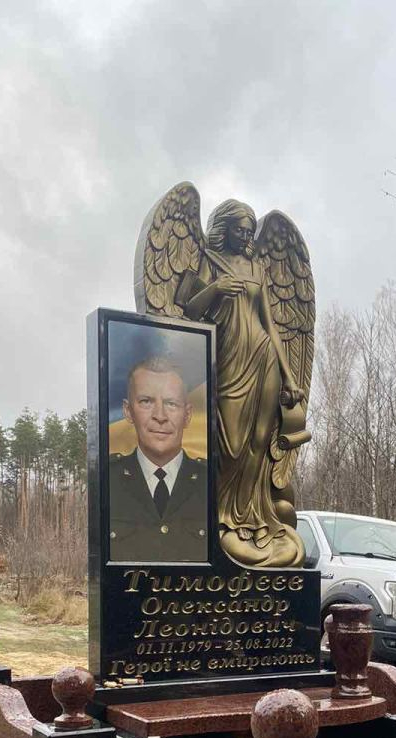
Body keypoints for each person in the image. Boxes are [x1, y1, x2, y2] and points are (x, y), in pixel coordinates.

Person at [181, 200, 305, 568]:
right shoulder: (208, 261)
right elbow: (189, 310)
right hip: (227, 360)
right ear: (224, 229)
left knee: (259, 441)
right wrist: (216, 288)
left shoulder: (256, 267)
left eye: (249, 230)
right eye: (239, 229)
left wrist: (289, 375)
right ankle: (223, 518)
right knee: (231, 444)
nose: (246, 236)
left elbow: (270, 324)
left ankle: (253, 519)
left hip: (263, 356)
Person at [108, 355, 208, 562]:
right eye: (146, 402)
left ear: (187, 415)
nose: (160, 416)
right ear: (128, 411)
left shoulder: (214, 482)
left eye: (171, 403)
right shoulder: (106, 480)